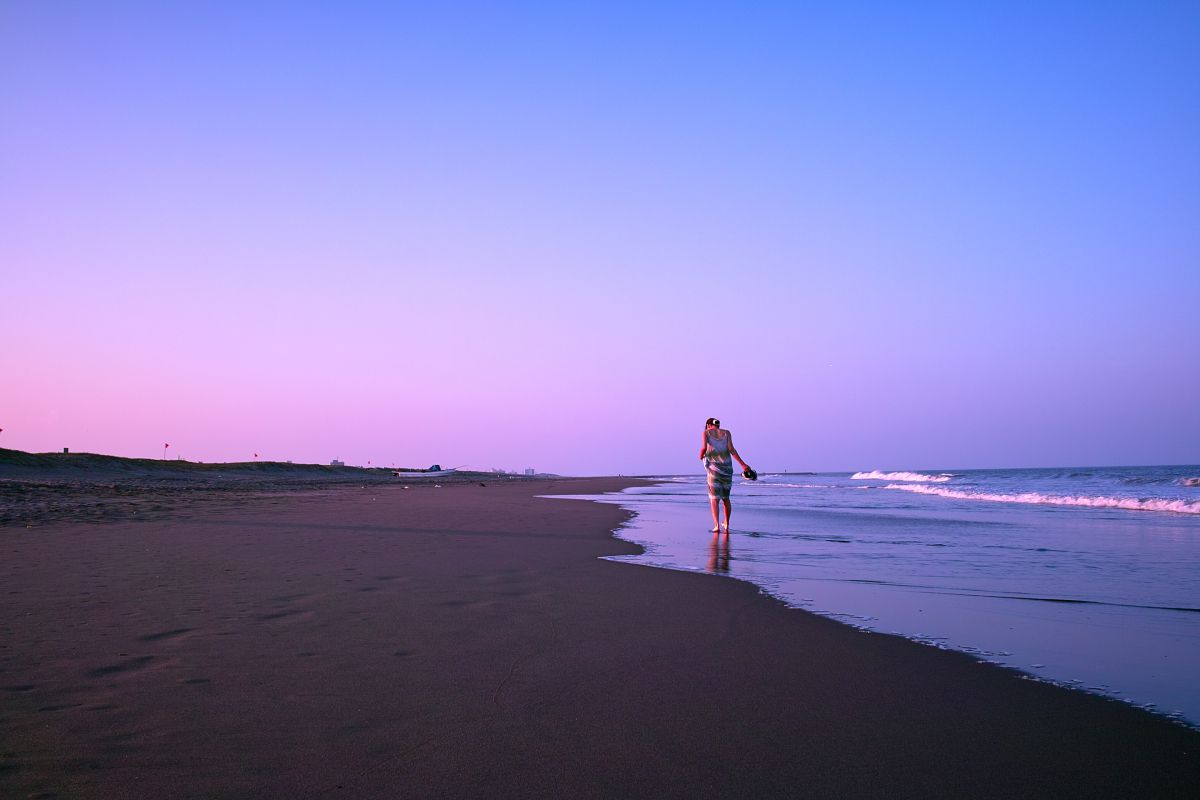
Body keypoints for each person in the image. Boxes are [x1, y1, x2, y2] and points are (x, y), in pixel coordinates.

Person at [699, 417, 752, 533]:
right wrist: (743, 465)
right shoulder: (727, 433)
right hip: (727, 469)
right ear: (718, 425)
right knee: (726, 498)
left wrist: (700, 455)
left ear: (708, 425)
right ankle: (726, 524)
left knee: (714, 499)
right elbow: (732, 450)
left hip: (714, 470)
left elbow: (703, 448)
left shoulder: (706, 433)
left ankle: (717, 526)